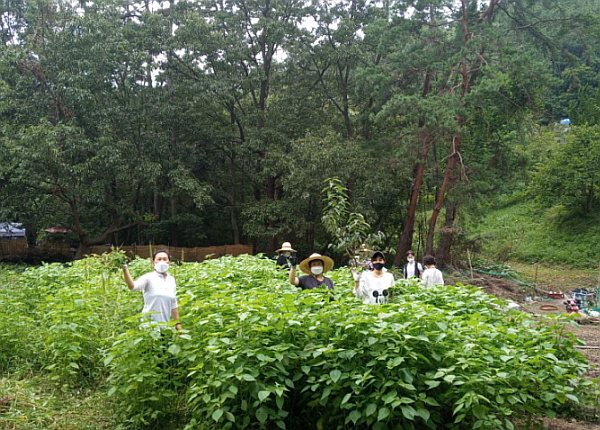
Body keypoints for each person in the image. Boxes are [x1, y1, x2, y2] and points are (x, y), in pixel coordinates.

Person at [123, 249, 181, 330]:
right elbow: (132, 286)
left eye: (165, 259)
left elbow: (173, 303)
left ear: (169, 262)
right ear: (153, 263)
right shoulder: (148, 278)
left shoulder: (171, 280)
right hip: (149, 327)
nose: (162, 262)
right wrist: (125, 270)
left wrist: (177, 323)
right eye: (159, 259)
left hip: (165, 327)